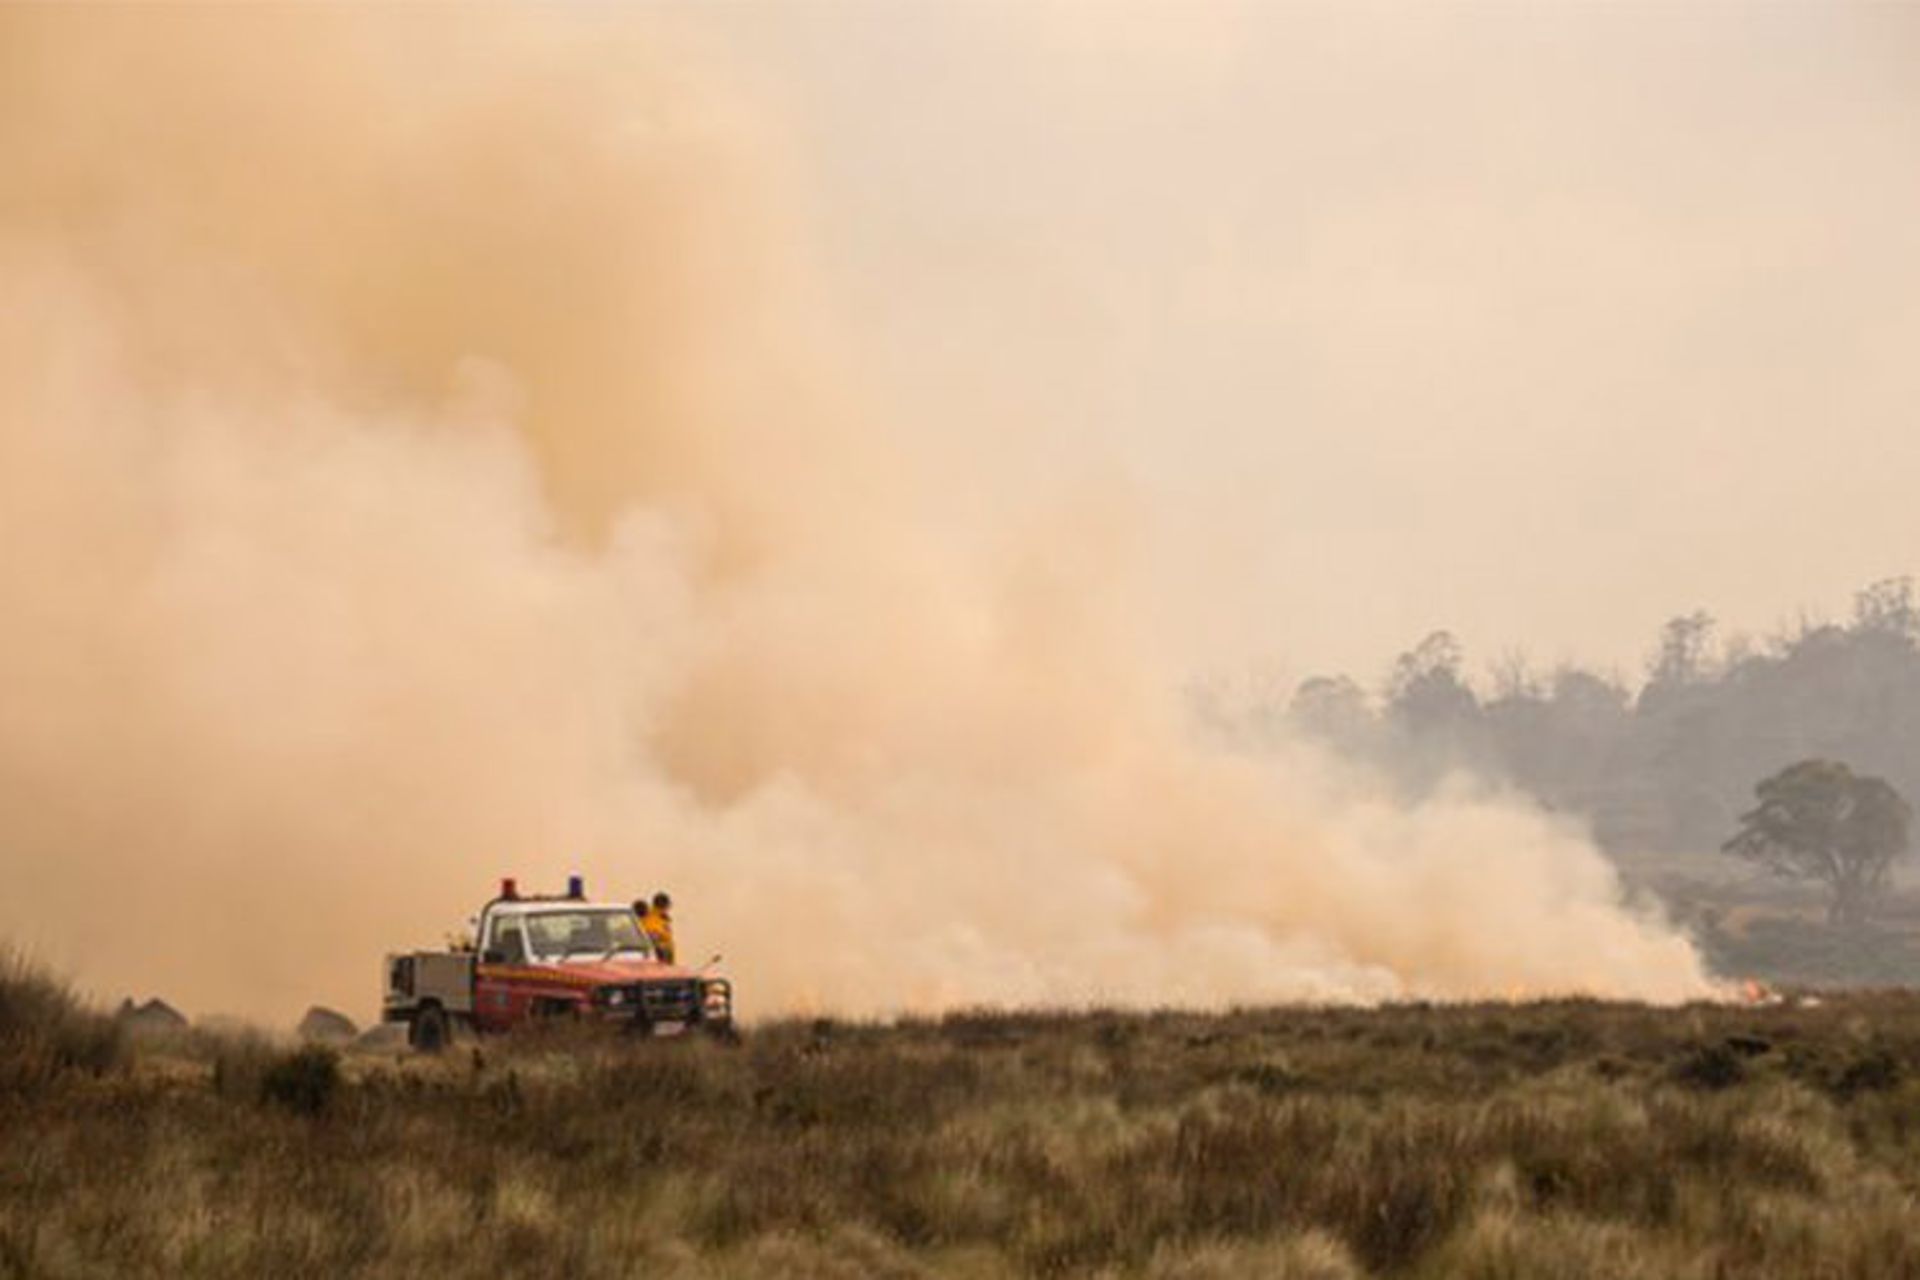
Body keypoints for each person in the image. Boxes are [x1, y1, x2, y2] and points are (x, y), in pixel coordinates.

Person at [642, 890, 675, 963]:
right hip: (660, 958)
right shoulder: (651, 919)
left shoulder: (662, 918)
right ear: (664, 906)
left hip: (666, 957)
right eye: (668, 906)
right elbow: (653, 937)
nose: (668, 909)